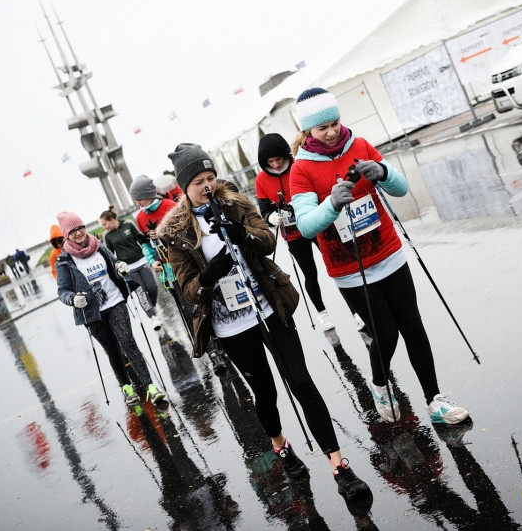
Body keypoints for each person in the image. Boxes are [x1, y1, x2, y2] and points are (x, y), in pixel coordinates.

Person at [157, 143, 370, 498]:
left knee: (302, 382)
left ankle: (339, 466)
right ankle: (280, 444)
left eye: (211, 177)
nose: (208, 185)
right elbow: (190, 291)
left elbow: (267, 240)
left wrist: (242, 234)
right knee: (266, 392)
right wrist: (210, 274)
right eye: (199, 182)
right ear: (184, 187)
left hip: (269, 307)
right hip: (232, 326)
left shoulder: (235, 203)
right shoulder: (175, 232)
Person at [288, 88, 470, 426]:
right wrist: (331, 204)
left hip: (388, 252)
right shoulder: (301, 170)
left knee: (412, 325)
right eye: (322, 127)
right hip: (349, 268)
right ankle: (379, 384)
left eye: (335, 123)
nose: (331, 132)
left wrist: (383, 173)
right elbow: (306, 225)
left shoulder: (359, 145)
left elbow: (400, 188)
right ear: (307, 131)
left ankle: (435, 400)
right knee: (384, 333)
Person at [54, 210, 167, 408]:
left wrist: (122, 267)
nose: (79, 233)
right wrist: (72, 299)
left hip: (115, 302)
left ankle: (150, 387)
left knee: (128, 343)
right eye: (73, 231)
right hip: (91, 313)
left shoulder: (99, 247)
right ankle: (127, 387)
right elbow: (62, 290)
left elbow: (115, 264)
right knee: (113, 350)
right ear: (66, 235)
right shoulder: (64, 260)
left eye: (80, 227)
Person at [255, 133, 364, 333]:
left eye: (278, 159)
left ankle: (356, 310)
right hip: (294, 234)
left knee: (338, 266)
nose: (276, 165)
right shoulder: (261, 179)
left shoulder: (298, 166)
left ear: (285, 155)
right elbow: (264, 209)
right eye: (271, 161)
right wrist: (271, 218)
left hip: (316, 225)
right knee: (310, 274)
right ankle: (322, 313)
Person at [100, 205, 161, 330]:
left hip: (141, 261)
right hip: (128, 268)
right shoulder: (107, 236)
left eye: (105, 224)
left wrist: (146, 236)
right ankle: (153, 317)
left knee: (152, 287)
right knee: (141, 292)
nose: (104, 227)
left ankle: (152, 307)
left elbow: (140, 238)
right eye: (102, 226)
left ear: (112, 219)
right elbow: (110, 256)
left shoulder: (128, 224)